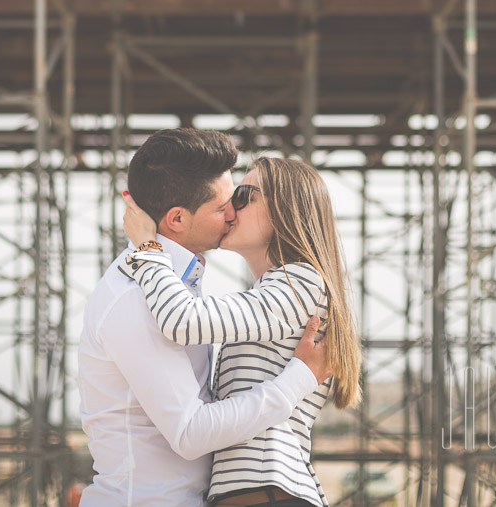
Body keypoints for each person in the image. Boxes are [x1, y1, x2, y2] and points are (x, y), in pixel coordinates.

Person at [78, 129, 333, 507]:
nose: (233, 213)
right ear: (178, 219)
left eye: (242, 199)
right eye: (224, 205)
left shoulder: (174, 288)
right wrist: (298, 379)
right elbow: (192, 432)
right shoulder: (136, 296)